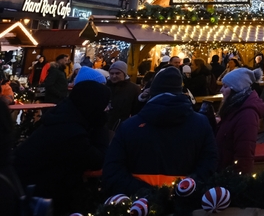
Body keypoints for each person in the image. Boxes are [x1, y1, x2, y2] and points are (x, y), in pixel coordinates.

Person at [103, 67, 218, 194]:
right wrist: (185, 189)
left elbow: (113, 169)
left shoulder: (129, 126)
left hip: (138, 204)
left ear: (152, 92)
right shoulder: (201, 124)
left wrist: (144, 193)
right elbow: (209, 164)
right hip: (186, 201)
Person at [14, 80, 111, 213]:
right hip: (39, 197)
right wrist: (100, 125)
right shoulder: (71, 132)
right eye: (104, 106)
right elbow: (98, 159)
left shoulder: (64, 116)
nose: (107, 109)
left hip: (31, 188)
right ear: (93, 105)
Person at [216, 68, 264, 172]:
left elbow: (245, 155)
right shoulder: (235, 107)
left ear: (236, 89)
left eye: (225, 86)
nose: (221, 90)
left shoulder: (247, 115)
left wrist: (238, 182)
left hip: (230, 177)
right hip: (225, 171)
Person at [107, 61, 141, 132]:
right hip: (105, 126)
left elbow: (136, 111)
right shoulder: (105, 86)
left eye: (117, 73)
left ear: (124, 74)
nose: (114, 76)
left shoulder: (134, 89)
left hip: (122, 126)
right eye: (112, 73)